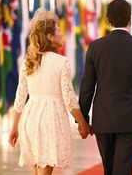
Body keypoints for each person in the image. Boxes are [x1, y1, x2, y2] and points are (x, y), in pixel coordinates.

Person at [79, 0, 132, 175]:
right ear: (130, 19)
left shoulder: (95, 47)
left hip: (103, 119)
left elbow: (87, 87)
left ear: (107, 19)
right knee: (123, 170)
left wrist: (83, 118)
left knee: (109, 169)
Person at [9, 9, 90, 175]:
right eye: (58, 31)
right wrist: (82, 122)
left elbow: (20, 97)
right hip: (51, 119)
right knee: (45, 171)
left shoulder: (28, 62)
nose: (62, 34)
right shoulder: (62, 62)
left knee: (38, 170)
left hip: (30, 119)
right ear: (50, 37)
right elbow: (69, 99)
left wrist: (14, 127)